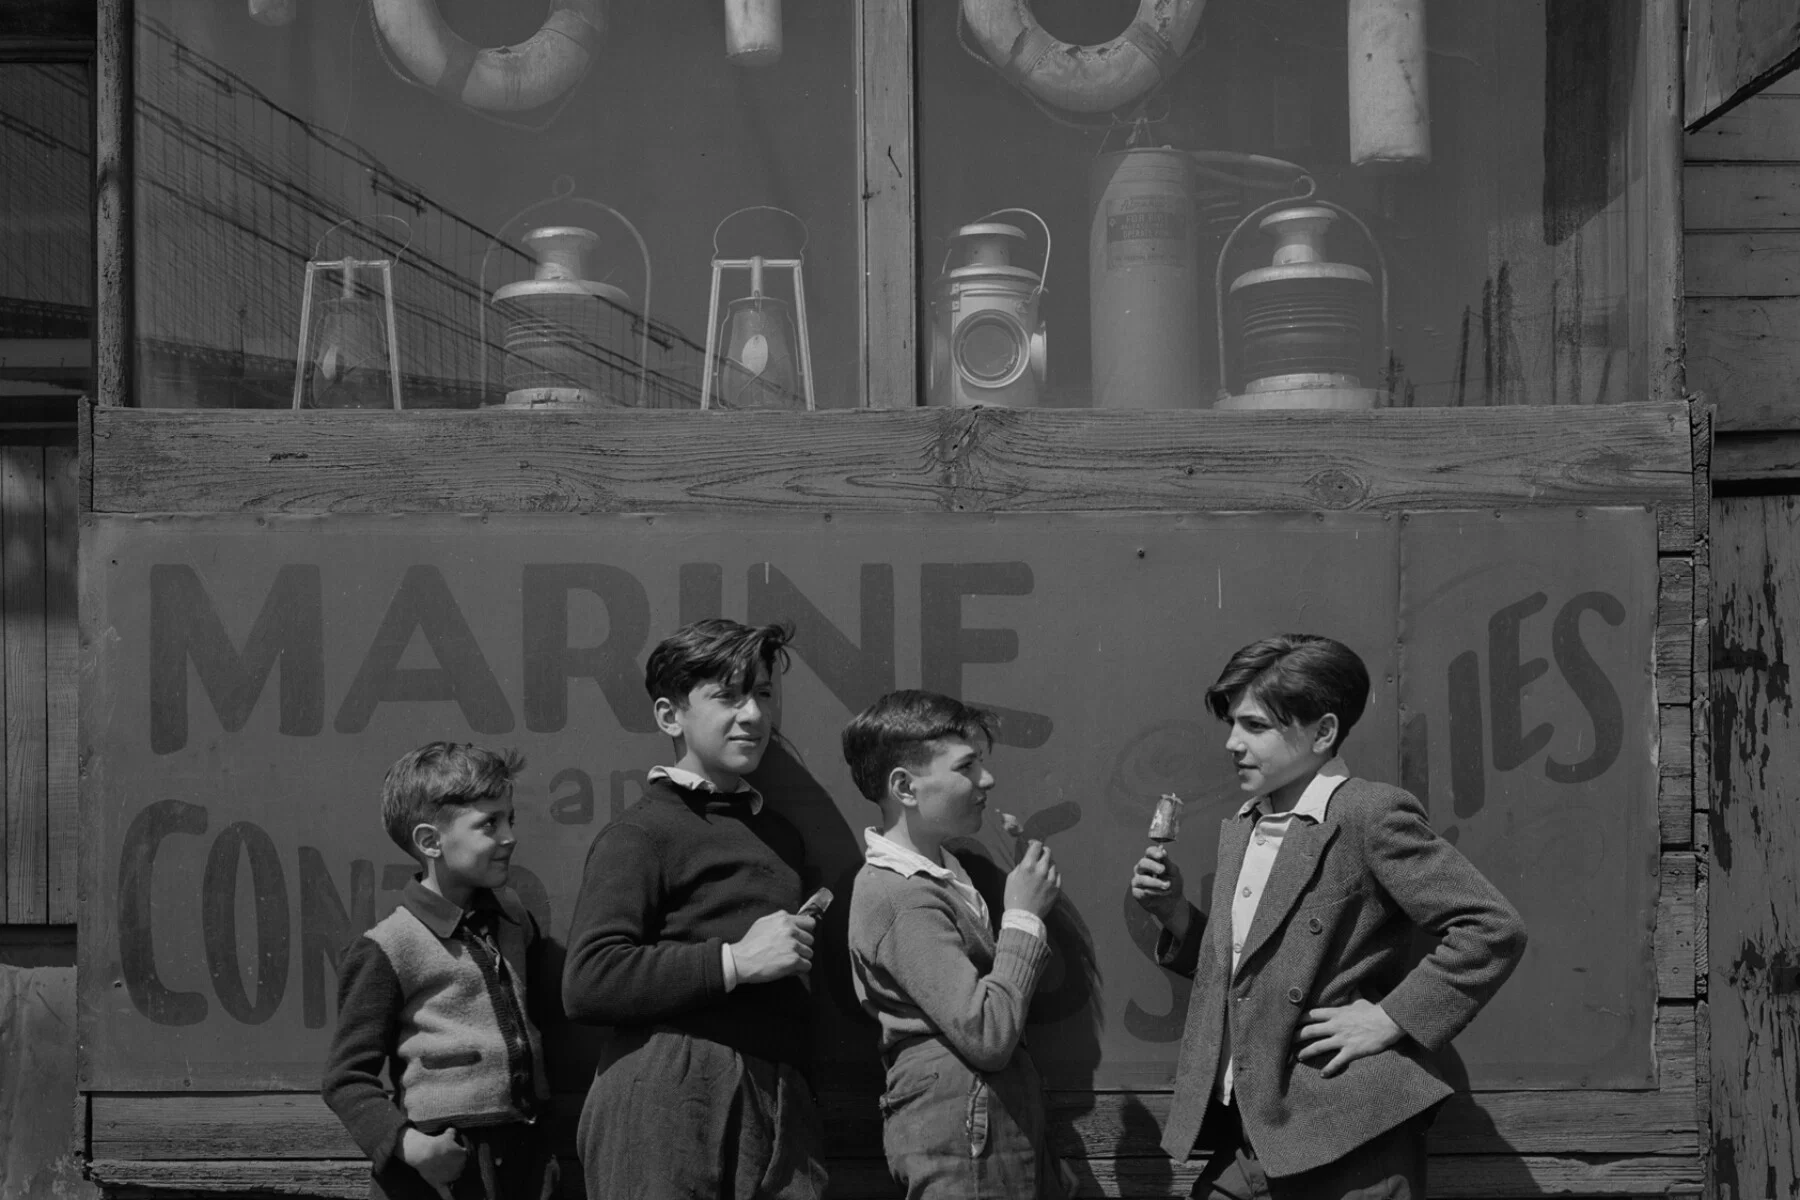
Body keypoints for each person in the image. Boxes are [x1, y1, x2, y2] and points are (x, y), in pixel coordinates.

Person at [1129, 634, 1527, 1199]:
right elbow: (1253, 977)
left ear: (1322, 733)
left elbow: (1492, 926)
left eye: (1255, 726)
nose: (1233, 743)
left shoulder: (1368, 813)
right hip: (1260, 1127)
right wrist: (1174, 914)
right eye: (1233, 724)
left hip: (1349, 1129)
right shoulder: (1247, 825)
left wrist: (1390, 1018)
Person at [562, 618, 827, 1200]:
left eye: (762, 694)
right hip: (669, 1089)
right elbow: (588, 981)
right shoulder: (642, 833)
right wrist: (734, 961)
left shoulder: (780, 836)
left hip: (779, 1097)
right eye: (727, 696)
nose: (753, 715)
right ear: (669, 716)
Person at [843, 689, 1066, 1199]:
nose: (986, 780)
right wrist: (1024, 918)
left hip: (981, 1121)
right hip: (962, 1123)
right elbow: (986, 1034)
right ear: (905, 786)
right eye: (966, 766)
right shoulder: (899, 896)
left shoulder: (938, 875)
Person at [322, 742, 554, 1200]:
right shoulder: (389, 946)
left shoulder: (513, 921)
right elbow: (345, 1078)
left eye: (510, 820)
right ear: (431, 842)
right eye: (489, 824)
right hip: (445, 1164)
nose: (509, 836)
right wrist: (411, 1146)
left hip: (523, 1156)